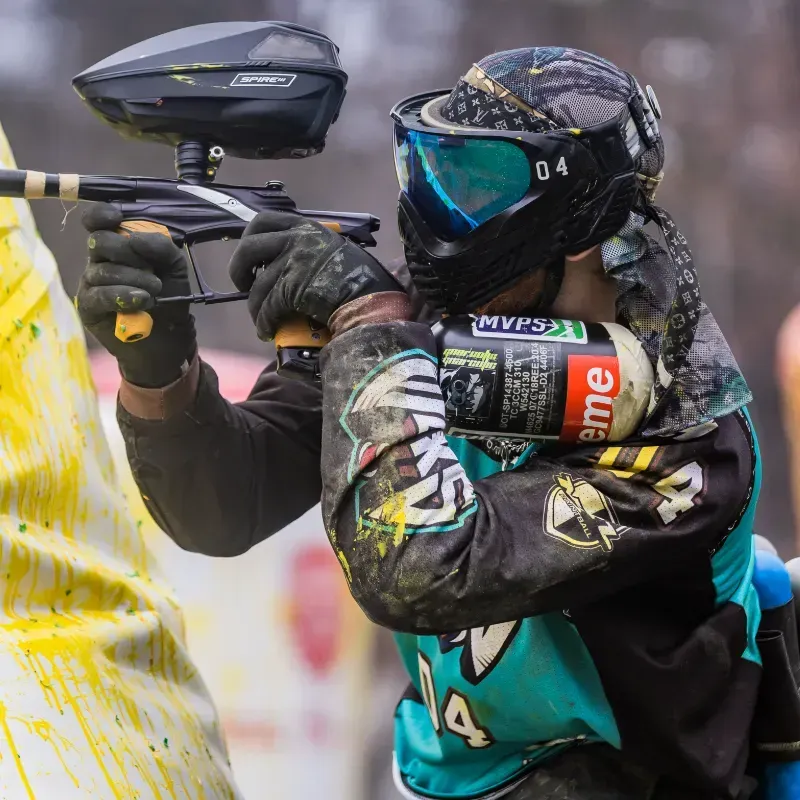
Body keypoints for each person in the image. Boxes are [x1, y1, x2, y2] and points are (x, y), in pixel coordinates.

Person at [76, 47, 767, 799]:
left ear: (581, 226)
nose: (437, 212)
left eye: (477, 186)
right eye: (432, 171)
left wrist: (369, 336)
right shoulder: (447, 312)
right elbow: (225, 505)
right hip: (438, 779)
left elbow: (419, 569)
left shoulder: (689, 443)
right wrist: (161, 380)